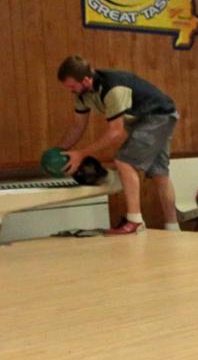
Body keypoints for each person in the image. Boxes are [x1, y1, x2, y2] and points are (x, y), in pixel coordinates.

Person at [56, 56, 180, 235]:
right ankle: (173, 229)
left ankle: (135, 221)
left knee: (123, 161)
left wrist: (81, 153)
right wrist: (60, 150)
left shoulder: (112, 88)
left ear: (85, 80)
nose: (70, 91)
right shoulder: (82, 95)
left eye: (72, 86)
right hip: (145, 119)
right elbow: (78, 126)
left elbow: (116, 131)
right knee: (160, 174)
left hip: (157, 116)